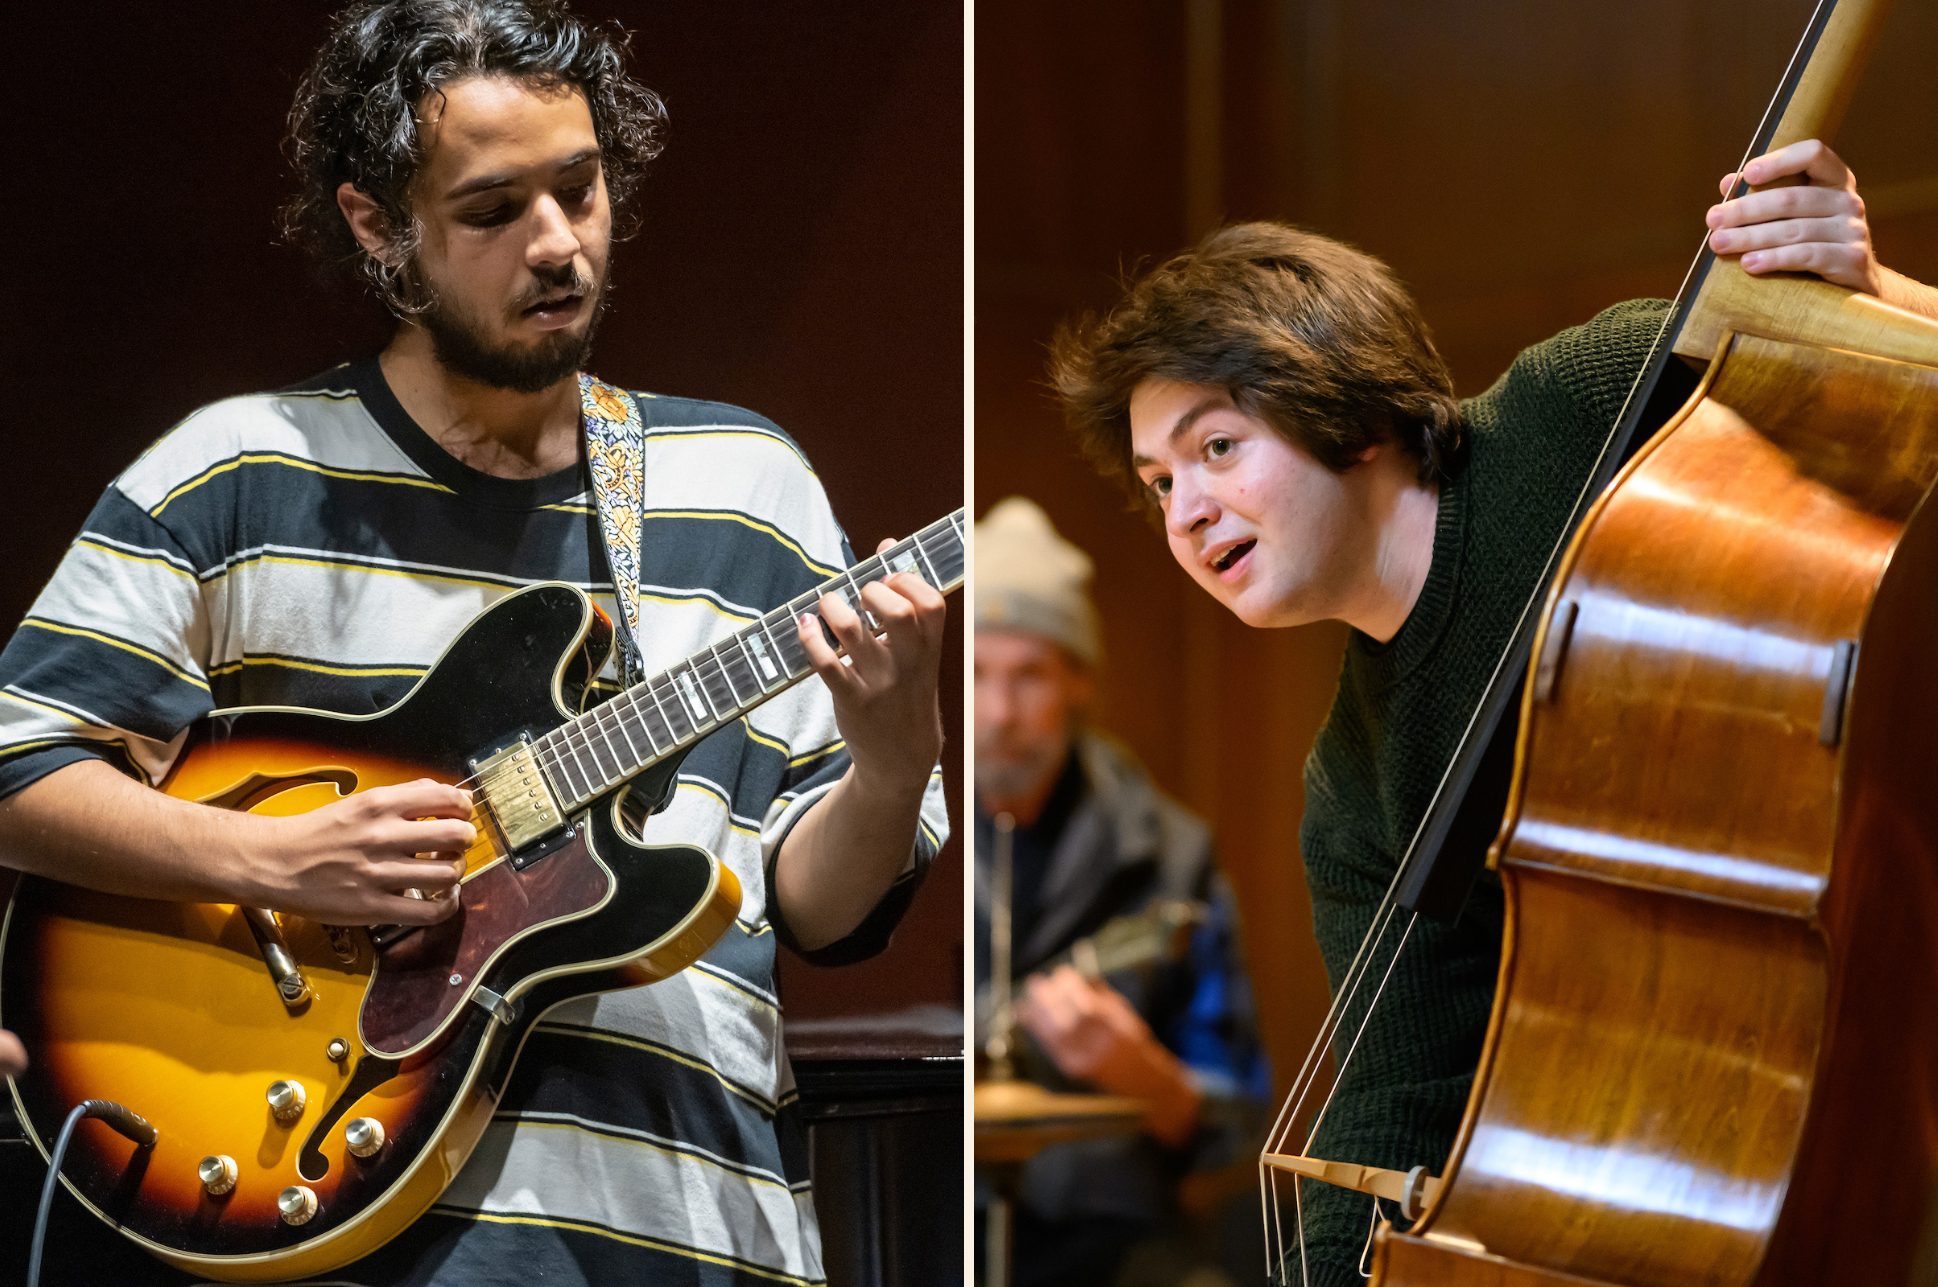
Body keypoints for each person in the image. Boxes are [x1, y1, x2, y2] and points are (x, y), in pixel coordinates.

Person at [0, 3, 949, 1284]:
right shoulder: (240, 473)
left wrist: (891, 760)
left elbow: (817, 911)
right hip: (342, 1208)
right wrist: (270, 858)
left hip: (688, 1232)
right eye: (495, 211)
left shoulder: (746, 483)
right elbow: (17, 766)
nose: (560, 244)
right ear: (378, 226)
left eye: (582, 187)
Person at [1046, 140, 1928, 1285]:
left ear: (1346, 409)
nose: (1188, 513)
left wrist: (1865, 284)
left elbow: (1903, 389)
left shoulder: (1583, 404)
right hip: (1707, 1150)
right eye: (1161, 484)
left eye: (1217, 447)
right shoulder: (1351, 784)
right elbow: (1396, 1100)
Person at [973, 497, 1265, 1287]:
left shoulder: (1172, 856)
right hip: (936, 1227)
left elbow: (1237, 1122)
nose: (998, 713)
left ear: (1078, 680)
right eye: (975, 674)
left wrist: (1138, 1070)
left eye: (1029, 674)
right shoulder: (906, 833)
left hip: (1118, 1247)